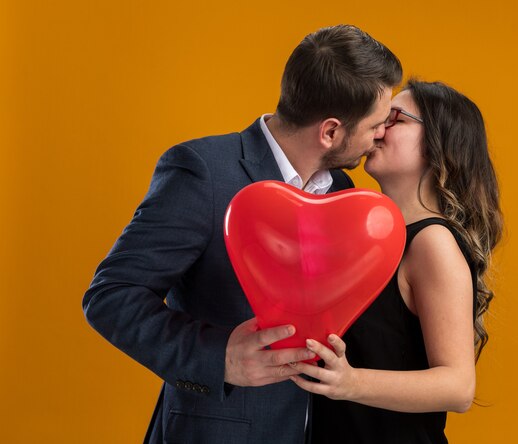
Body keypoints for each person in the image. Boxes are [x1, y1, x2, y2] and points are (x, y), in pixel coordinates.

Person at [82, 25, 402, 444]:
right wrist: (220, 360)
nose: (382, 135)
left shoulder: (344, 193)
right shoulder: (203, 172)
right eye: (376, 124)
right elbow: (111, 296)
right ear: (330, 131)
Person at [289, 79, 503, 443]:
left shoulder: (432, 242)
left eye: (395, 119)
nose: (376, 129)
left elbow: (458, 386)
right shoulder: (368, 236)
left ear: (440, 144)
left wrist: (350, 381)